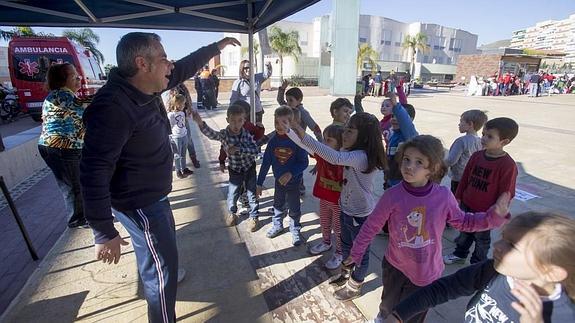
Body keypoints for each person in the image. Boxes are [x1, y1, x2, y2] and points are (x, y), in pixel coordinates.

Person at [80, 32, 240, 323]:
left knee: (159, 259)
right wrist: (103, 231)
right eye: (164, 58)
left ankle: (158, 267)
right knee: (162, 272)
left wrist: (216, 47)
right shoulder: (113, 108)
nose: (170, 65)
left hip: (154, 196)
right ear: (143, 63)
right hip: (139, 203)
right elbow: (93, 171)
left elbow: (184, 67)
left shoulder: (147, 84)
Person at [344, 135, 512, 321]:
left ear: (432, 169)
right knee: (388, 304)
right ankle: (383, 317)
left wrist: (492, 218)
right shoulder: (392, 195)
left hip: (426, 271)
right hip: (395, 265)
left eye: (419, 162)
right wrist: (357, 250)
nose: (409, 166)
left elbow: (463, 222)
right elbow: (371, 225)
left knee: (415, 312)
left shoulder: (443, 196)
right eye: (406, 160)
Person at [380, 212, 575, 323]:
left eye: (512, 245)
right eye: (502, 238)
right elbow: (441, 289)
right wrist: (398, 315)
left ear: (551, 271)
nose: (497, 247)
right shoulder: (493, 271)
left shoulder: (562, 316)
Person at [290, 112, 387, 299]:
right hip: (346, 210)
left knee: (360, 253)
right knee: (345, 244)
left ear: (365, 136)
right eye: (345, 129)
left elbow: (332, 157)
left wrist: (302, 132)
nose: (344, 134)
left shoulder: (362, 157)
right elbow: (319, 152)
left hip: (360, 215)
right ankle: (345, 274)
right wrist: (292, 131)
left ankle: (355, 285)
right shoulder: (350, 152)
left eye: (350, 131)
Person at [444, 117, 519, 266]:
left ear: (504, 142)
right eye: (483, 134)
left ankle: (477, 263)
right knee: (464, 233)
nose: (483, 138)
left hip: (486, 213)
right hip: (467, 204)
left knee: (481, 239)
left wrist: (498, 211)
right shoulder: (477, 156)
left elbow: (507, 192)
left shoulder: (507, 165)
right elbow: (465, 178)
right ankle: (460, 254)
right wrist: (458, 197)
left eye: (489, 136)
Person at [191, 104, 260, 231]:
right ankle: (232, 213)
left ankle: (254, 216)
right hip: (235, 170)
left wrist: (239, 149)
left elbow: (255, 150)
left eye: (240, 120)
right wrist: (200, 122)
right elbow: (212, 134)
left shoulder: (246, 135)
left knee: (252, 193)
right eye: (233, 120)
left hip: (249, 168)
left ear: (244, 120)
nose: (236, 124)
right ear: (227, 120)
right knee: (233, 193)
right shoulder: (224, 134)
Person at [38, 63, 90, 229]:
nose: (78, 78)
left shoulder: (65, 95)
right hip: (61, 148)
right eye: (73, 75)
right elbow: (84, 107)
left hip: (67, 147)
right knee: (72, 184)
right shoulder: (61, 95)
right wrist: (108, 95)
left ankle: (83, 214)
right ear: (62, 80)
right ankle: (77, 219)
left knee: (77, 181)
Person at [288, 124, 345, 269]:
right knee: (324, 223)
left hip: (339, 203)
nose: (324, 144)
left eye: (329, 140)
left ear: (340, 143)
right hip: (324, 199)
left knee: (338, 229)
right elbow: (303, 143)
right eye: (324, 140)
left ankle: (340, 252)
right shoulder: (321, 156)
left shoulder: (344, 160)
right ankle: (326, 242)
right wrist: (289, 131)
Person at [257, 106, 309, 246]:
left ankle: (295, 228)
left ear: (292, 123)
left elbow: (304, 162)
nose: (279, 126)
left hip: (294, 183)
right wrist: (259, 182)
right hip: (278, 182)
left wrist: (290, 173)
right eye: (276, 123)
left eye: (284, 123)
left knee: (294, 207)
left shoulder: (297, 141)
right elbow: (266, 162)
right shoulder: (273, 141)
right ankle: (278, 224)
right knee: (278, 204)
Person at [445, 109, 488, 195]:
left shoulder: (461, 141)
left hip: (458, 178)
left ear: (470, 124)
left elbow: (451, 160)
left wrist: (438, 164)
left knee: (455, 199)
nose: (459, 124)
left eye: (461, 121)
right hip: (471, 177)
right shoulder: (480, 141)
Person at [384, 89, 418, 188]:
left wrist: (395, 104)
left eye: (397, 116)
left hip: (402, 183)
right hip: (391, 180)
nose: (394, 118)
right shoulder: (394, 135)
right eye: (393, 116)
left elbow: (405, 121)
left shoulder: (409, 135)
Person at [229, 60, 272, 124]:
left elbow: (267, 74)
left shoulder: (257, 78)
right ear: (242, 69)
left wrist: (268, 66)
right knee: (246, 131)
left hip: (257, 110)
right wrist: (231, 112)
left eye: (250, 67)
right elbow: (233, 99)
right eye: (246, 68)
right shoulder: (238, 82)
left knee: (258, 131)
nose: (248, 69)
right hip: (244, 113)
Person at [166, 94, 193, 179]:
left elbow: (183, 123)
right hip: (176, 137)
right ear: (177, 104)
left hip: (183, 135)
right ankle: (178, 170)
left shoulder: (182, 113)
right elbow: (169, 126)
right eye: (183, 104)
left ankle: (184, 168)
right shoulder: (171, 115)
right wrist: (170, 137)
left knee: (183, 154)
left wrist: (185, 132)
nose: (184, 105)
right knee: (177, 155)